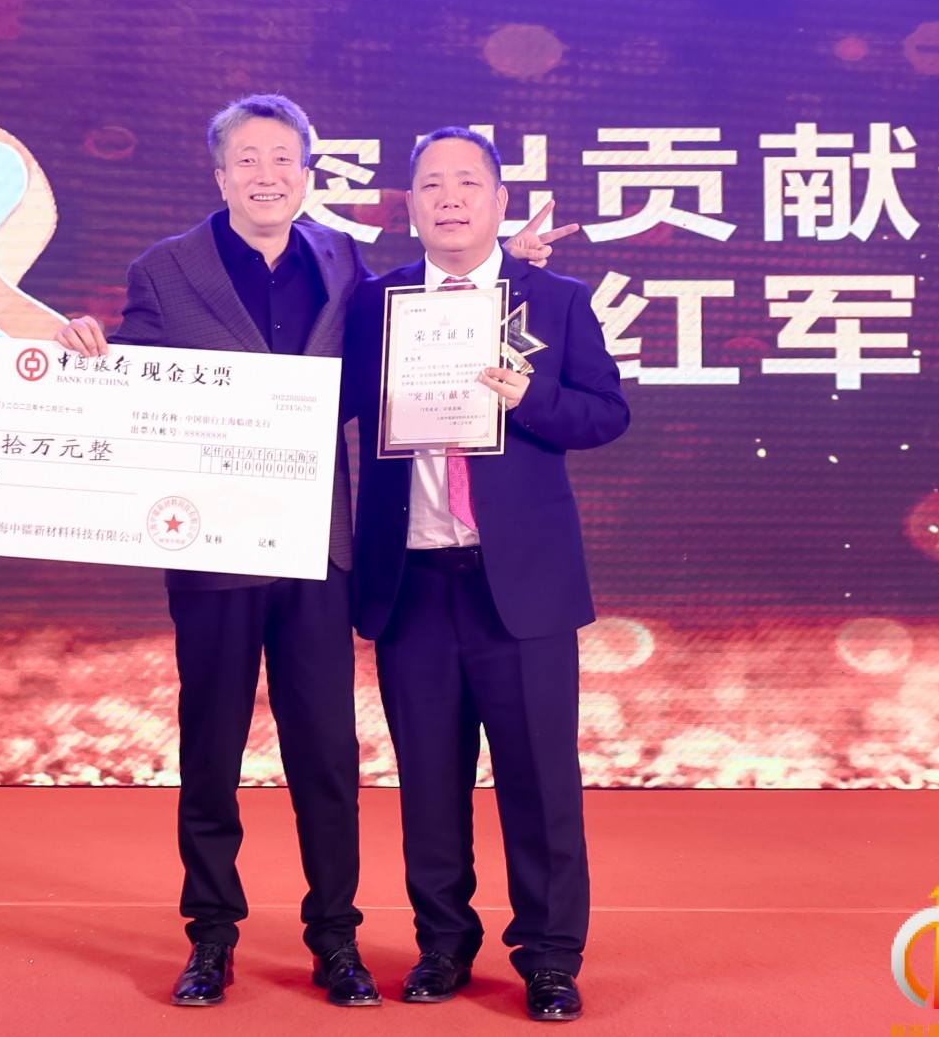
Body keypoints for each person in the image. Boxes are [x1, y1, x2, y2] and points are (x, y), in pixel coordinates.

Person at [55, 95, 378, 1008]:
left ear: (307, 173)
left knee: (327, 754)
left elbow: (398, 351)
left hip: (316, 539)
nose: (265, 175)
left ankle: (335, 939)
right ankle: (210, 936)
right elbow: (138, 384)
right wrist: (88, 354)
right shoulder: (165, 268)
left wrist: (517, 270)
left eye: (282, 159)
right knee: (211, 745)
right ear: (220, 174)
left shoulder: (344, 261)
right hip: (212, 542)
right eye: (247, 160)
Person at [344, 127, 629, 1022]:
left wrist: (529, 397)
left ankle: (548, 957)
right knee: (429, 781)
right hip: (412, 580)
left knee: (540, 782)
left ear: (500, 201)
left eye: (467, 182)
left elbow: (605, 414)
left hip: (523, 586)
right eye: (431, 184)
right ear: (411, 207)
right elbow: (325, 402)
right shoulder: (375, 303)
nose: (449, 198)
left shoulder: (555, 300)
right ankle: (442, 946)